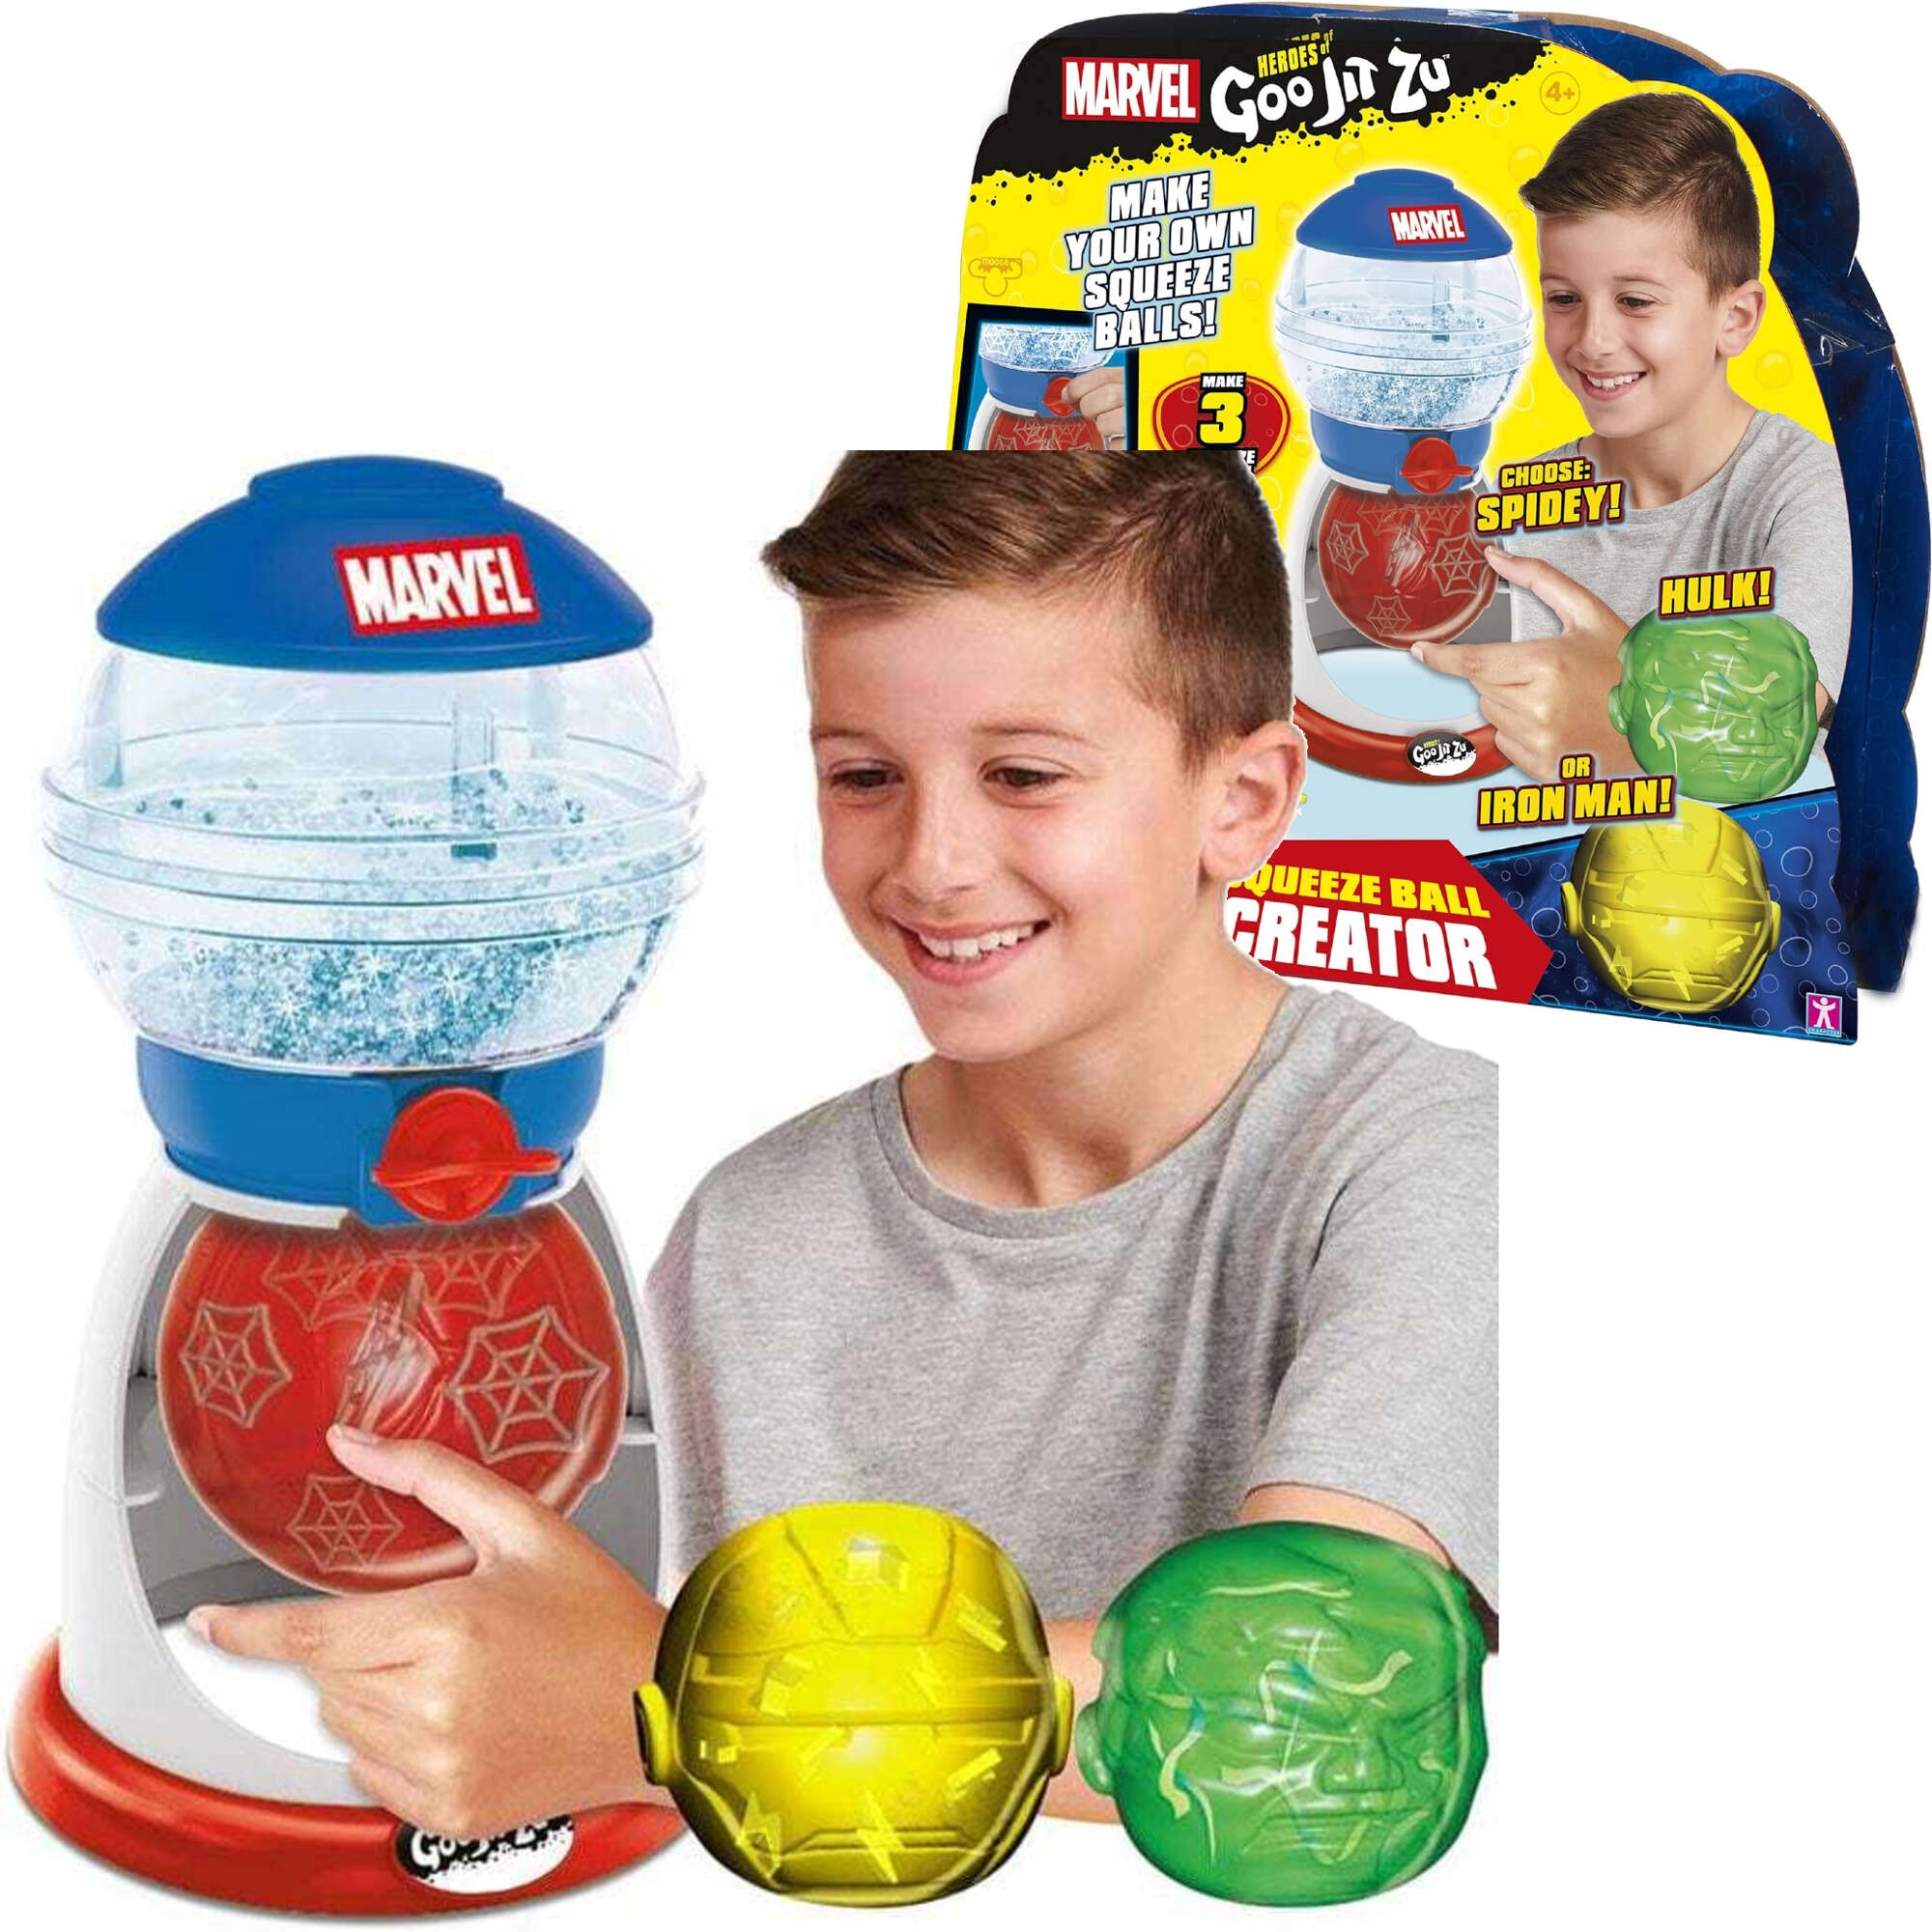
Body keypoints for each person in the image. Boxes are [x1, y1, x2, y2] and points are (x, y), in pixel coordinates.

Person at [191, 452, 1497, 1836]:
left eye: (1025, 774)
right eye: (864, 774)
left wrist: (669, 1708)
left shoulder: (1424, 1159)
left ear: (1244, 802)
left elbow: (1316, 1705)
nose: (931, 861)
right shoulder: (754, 1231)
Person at [1415, 91, 1854, 780]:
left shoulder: (1804, 489)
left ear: (1736, 318)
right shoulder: (1510, 505)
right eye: (1564, 298)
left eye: (1636, 301)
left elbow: (1771, 736)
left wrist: (1610, 708)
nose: (1592, 340)